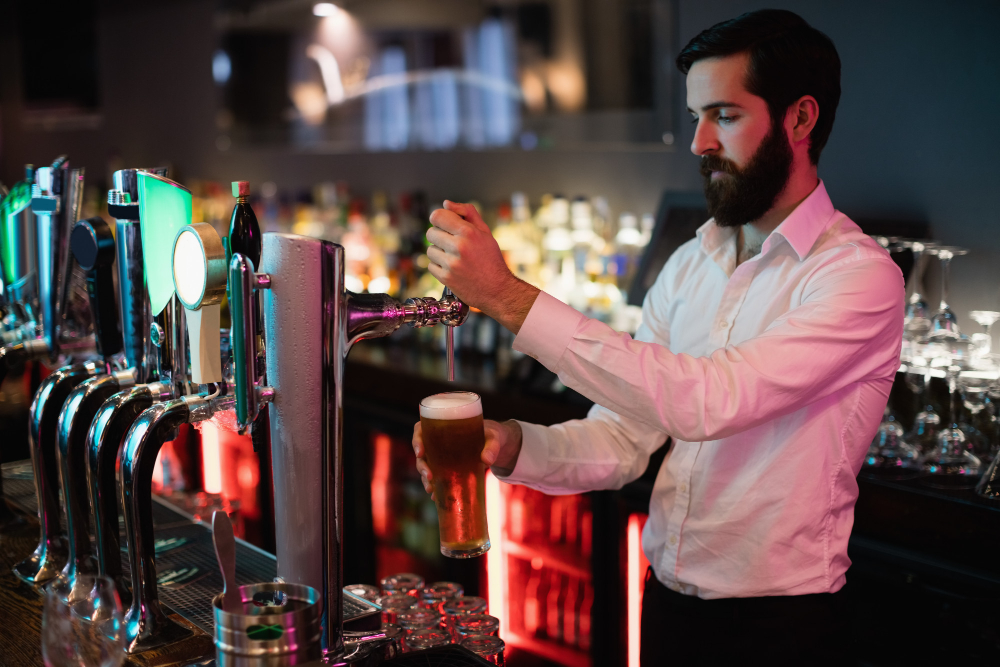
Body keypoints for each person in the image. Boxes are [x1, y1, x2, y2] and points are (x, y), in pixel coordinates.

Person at [412, 9, 903, 665]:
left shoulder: (856, 277)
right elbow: (622, 438)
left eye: (723, 115)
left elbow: (705, 402)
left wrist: (505, 294)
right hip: (667, 610)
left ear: (801, 119)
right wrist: (510, 445)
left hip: (781, 631)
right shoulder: (690, 263)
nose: (699, 141)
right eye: (697, 115)